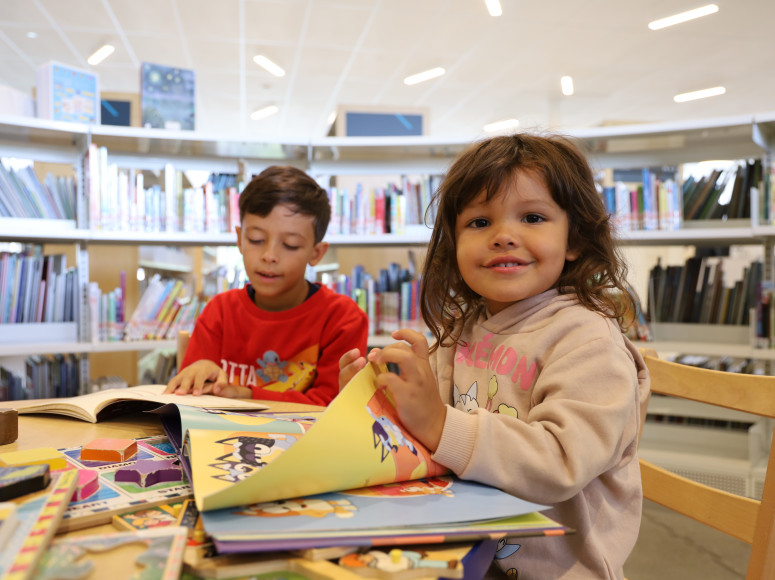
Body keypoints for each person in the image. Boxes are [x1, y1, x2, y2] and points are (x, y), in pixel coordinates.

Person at [339, 134, 650, 579]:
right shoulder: (464, 328)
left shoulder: (588, 341)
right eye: (480, 222)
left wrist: (437, 422)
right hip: (463, 553)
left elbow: (561, 461)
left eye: (533, 217)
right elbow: (429, 437)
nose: (504, 236)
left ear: (574, 239)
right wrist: (374, 401)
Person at [166, 165, 368, 406]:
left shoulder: (343, 319)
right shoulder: (219, 311)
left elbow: (332, 405)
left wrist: (248, 395)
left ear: (316, 253)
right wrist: (200, 372)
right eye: (257, 240)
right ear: (239, 239)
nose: (269, 255)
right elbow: (191, 397)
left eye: (291, 244)